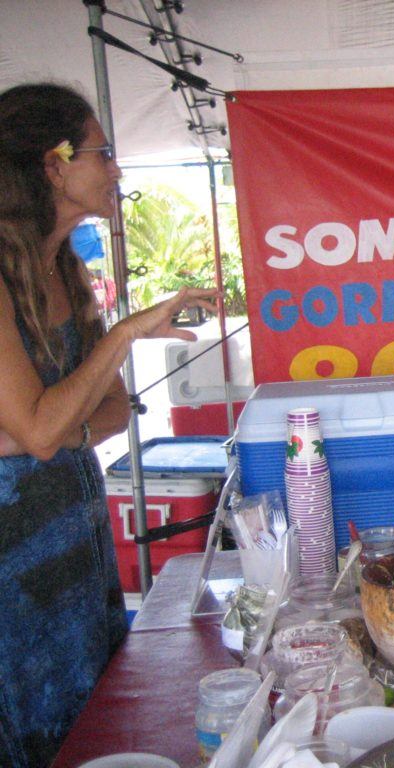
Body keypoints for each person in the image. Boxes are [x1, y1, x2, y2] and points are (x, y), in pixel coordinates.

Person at [0, 82, 219, 768]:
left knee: (93, 726)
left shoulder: (64, 267)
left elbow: (110, 411)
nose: (116, 169)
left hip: (78, 539)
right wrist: (124, 334)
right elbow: (40, 429)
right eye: (103, 151)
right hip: (11, 568)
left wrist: (51, 429)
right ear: (53, 163)